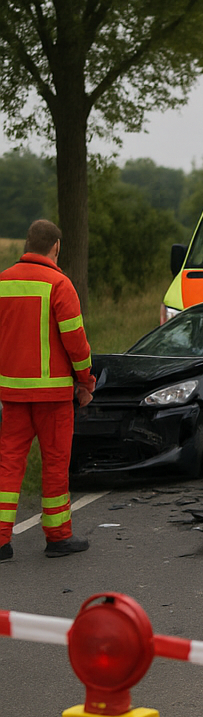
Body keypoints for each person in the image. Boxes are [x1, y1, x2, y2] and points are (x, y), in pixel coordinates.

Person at [0, 219, 94, 561]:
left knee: (8, 464)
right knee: (55, 464)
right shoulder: (59, 283)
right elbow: (76, 342)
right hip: (53, 396)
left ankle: (0, 541)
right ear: (56, 247)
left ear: (27, 244)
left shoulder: (3, 283)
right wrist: (86, 381)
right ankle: (58, 537)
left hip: (12, 394)